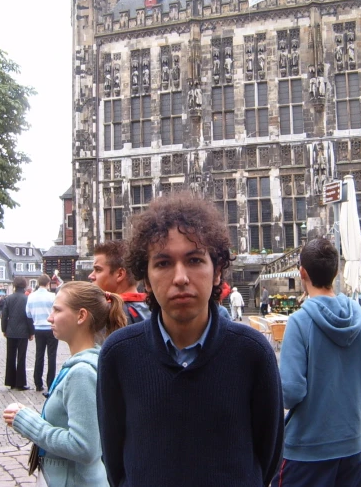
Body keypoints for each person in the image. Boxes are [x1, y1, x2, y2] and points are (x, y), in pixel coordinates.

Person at [97, 193, 284, 487]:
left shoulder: (252, 352)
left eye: (195, 260)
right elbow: (115, 461)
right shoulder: (119, 354)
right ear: (145, 276)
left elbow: (268, 455)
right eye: (163, 263)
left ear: (217, 270)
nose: (180, 277)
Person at [273, 238, 361, 487]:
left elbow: (290, 392)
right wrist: (348, 389)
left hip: (306, 448)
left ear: (302, 272)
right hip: (351, 446)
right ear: (336, 271)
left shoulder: (300, 322)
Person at [4, 282, 126, 486]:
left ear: (81, 316)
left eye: (57, 310)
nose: (50, 317)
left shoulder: (82, 373)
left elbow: (84, 447)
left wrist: (27, 421)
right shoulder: (88, 364)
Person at [89, 240, 151, 323]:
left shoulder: (106, 314)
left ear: (120, 274)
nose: (91, 276)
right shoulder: (155, 309)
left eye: (98, 270)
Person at [27, 274, 58, 393]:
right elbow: (56, 311)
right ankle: (50, 383)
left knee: (39, 355)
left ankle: (38, 383)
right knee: (52, 356)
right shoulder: (52, 296)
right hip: (50, 328)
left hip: (38, 328)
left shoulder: (31, 296)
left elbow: (28, 314)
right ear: (48, 283)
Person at [2, 276, 35, 390]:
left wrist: (4, 329)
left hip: (11, 330)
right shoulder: (27, 299)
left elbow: (4, 316)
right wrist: (31, 331)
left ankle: (10, 381)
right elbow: (29, 317)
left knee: (10, 357)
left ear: (14, 286)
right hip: (23, 331)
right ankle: (20, 383)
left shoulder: (8, 298)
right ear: (24, 286)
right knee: (21, 357)